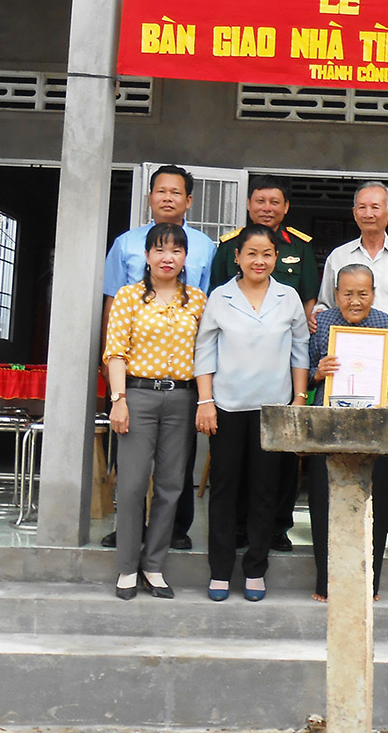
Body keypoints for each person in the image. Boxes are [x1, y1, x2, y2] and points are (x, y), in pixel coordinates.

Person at [100, 164, 216, 552]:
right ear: (150, 196)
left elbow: (207, 313)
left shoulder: (205, 246)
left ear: (189, 200)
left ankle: (175, 529)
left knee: (176, 463)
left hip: (182, 366)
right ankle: (128, 528)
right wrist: (110, 363)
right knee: (131, 462)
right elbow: (113, 300)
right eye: (160, 191)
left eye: (175, 192)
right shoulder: (126, 243)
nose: (167, 197)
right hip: (134, 369)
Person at [194, 225, 310, 602]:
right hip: (226, 406)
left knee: (265, 492)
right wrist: (205, 400)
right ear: (238, 258)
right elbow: (205, 351)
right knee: (225, 490)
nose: (259, 261)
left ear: (275, 258)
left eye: (267, 254)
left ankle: (256, 569)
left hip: (273, 409)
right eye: (252, 254)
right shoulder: (220, 296)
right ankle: (220, 571)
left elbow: (299, 351)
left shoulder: (288, 296)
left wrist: (299, 397)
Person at [209, 175, 318, 553]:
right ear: (249, 204)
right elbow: (218, 306)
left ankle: (277, 528)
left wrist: (299, 388)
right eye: (260, 201)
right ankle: (239, 528)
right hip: (233, 384)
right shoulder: (227, 247)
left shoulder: (300, 248)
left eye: (274, 202)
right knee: (234, 465)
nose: (267, 207)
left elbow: (305, 310)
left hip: (278, 377)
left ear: (285, 208)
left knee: (279, 463)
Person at [315, 181, 388, 557]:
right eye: (361, 207)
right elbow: (327, 306)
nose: (368, 213)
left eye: (376, 207)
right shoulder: (338, 256)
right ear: (354, 213)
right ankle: (342, 520)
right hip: (344, 366)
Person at [102, 223, 207, 600]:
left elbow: (207, 355)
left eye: (176, 251)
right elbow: (115, 352)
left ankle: (154, 565)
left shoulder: (197, 301)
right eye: (160, 250)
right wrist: (118, 399)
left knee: (171, 486)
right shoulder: (129, 298)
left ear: (184, 258)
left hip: (181, 398)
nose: (168, 257)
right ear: (146, 256)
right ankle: (127, 567)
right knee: (131, 486)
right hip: (138, 396)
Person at [308, 264, 388, 601]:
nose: (355, 301)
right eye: (347, 294)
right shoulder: (323, 323)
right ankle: (325, 582)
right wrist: (318, 372)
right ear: (336, 294)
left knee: (378, 499)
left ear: (373, 293)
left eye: (363, 293)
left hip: (376, 423)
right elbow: (305, 365)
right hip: (330, 422)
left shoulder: (387, 324)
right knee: (322, 497)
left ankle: (370, 582)